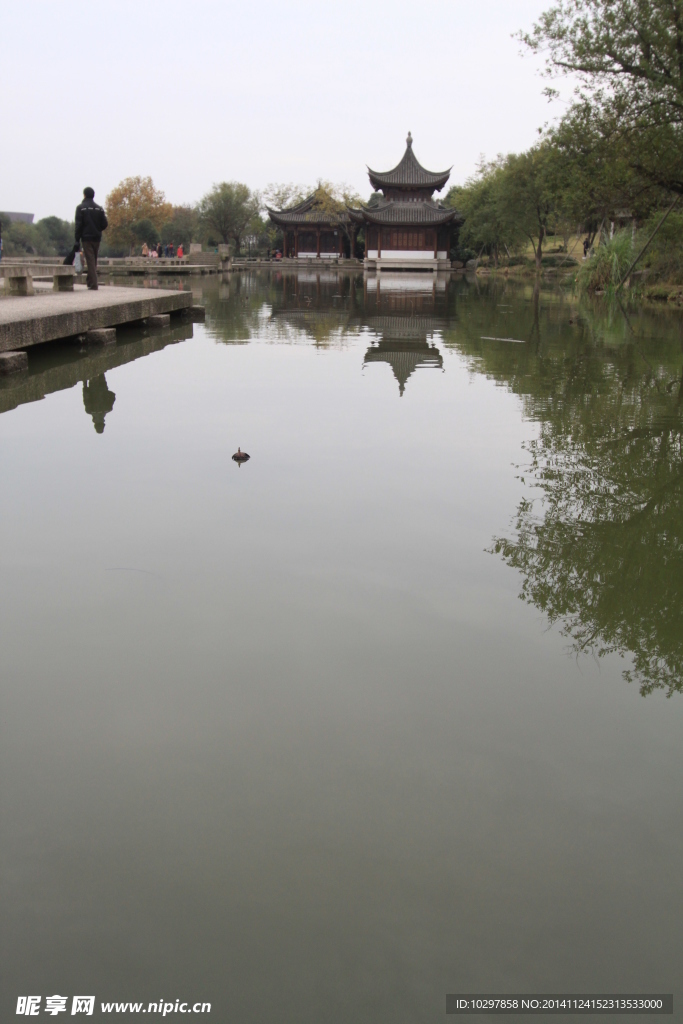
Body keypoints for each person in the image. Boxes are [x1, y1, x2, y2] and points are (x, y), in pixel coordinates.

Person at [75, 187, 108, 290]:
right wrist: (98, 229)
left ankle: (93, 284)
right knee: (93, 259)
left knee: (90, 259)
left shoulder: (81, 208)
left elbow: (78, 225)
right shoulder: (99, 208)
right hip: (97, 237)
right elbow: (105, 223)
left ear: (84, 195)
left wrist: (77, 239)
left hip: (86, 237)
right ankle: (90, 281)